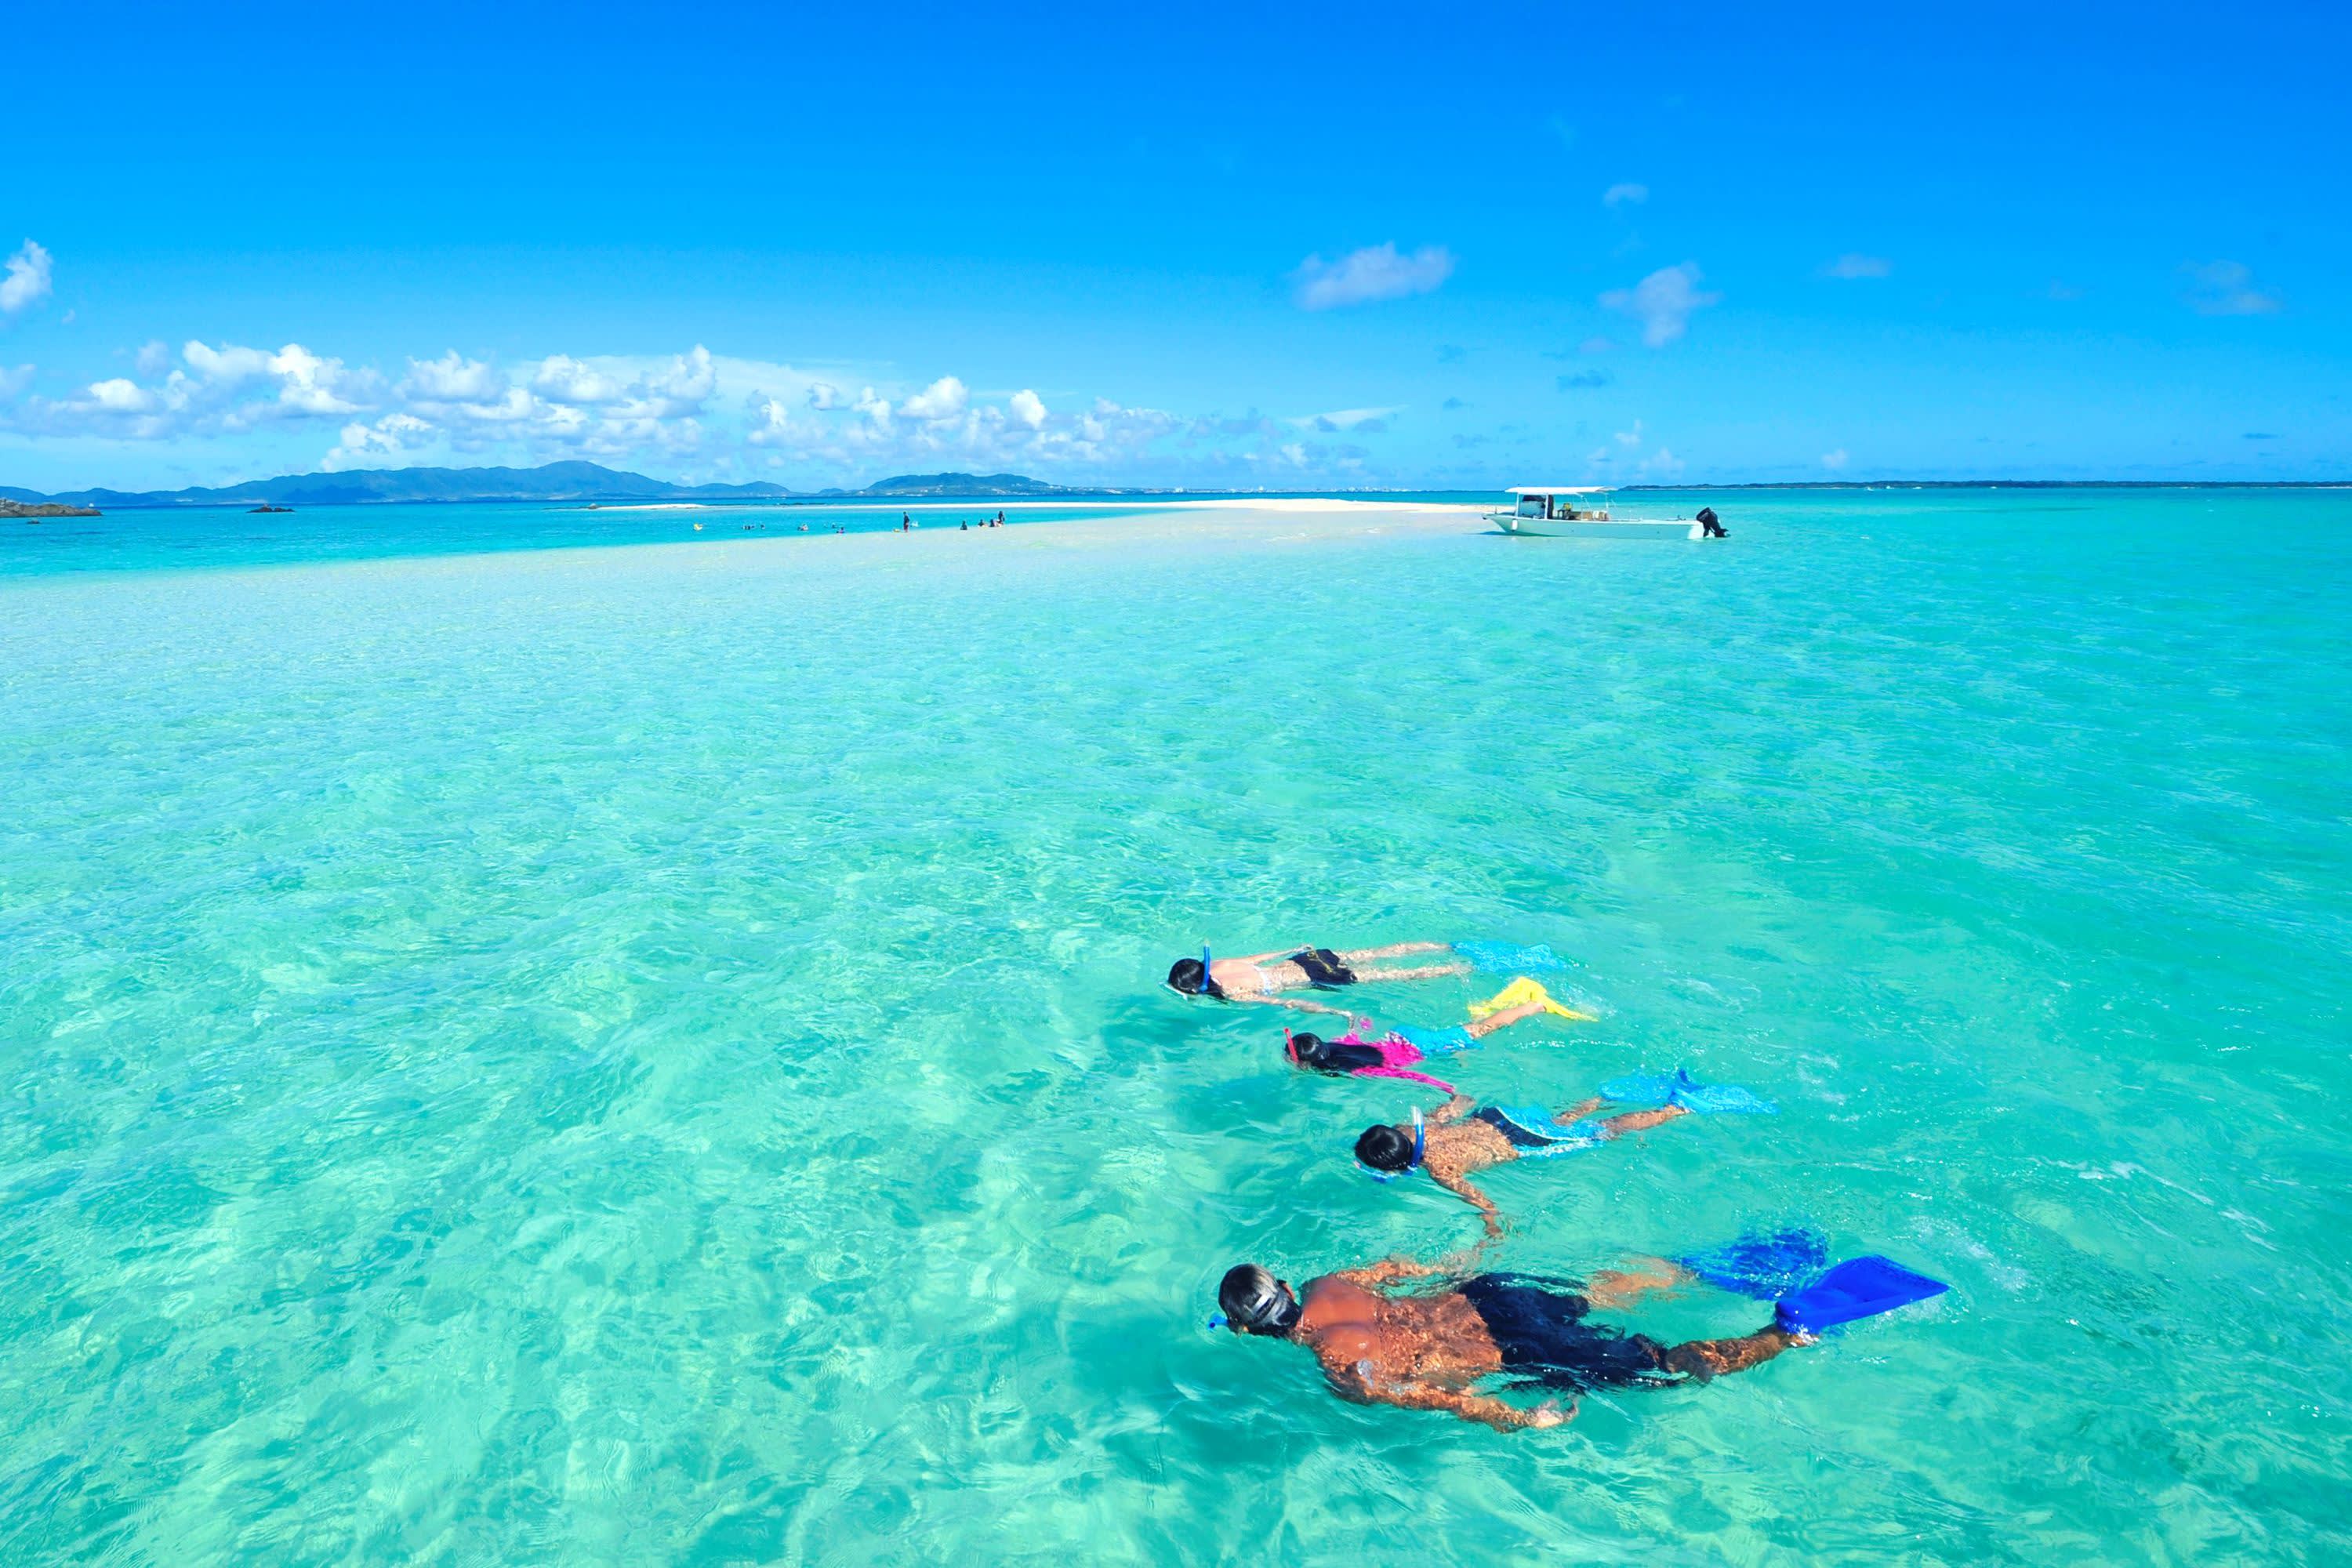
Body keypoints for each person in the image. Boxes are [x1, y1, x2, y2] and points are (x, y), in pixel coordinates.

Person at [1214, 1250, 1806, 1431]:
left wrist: (1515, 1418)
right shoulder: (1329, 1282)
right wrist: (1463, 1266)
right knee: (1598, 1291)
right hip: (1485, 1297)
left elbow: (1439, 1398)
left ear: (1246, 1329)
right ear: (1284, 1285)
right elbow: (1402, 1267)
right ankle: (1712, 1268)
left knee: (1663, 1365)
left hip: (1518, 1349)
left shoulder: (1340, 1368)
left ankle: (1785, 1335)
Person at [1354, 1072, 1773, 1234]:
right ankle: (1598, 1097)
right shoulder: (1415, 1127)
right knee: (1565, 1120)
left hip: (1525, 1141)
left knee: (1605, 1133)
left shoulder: (1439, 1169)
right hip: (1501, 1117)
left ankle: (1677, 1109)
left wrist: (1491, 1228)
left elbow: (1485, 1203)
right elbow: (1462, 1101)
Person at [1283, 980, 1592, 1093]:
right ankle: (1486, 1013)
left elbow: (1407, 1076)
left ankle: (1535, 1004)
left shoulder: (1354, 1069)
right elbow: (1357, 1029)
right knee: (1462, 1038)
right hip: (1400, 1035)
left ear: (1306, 1062)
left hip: (1420, 1046)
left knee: (1481, 1030)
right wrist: (1355, 1019)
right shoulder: (1336, 1045)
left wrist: (1446, 1088)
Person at [1166, 943, 1468, 1015]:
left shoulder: (1232, 992)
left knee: (1391, 976)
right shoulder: (1219, 964)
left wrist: (1333, 1011)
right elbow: (1259, 958)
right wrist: (1293, 950)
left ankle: (1452, 970)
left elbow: (1287, 1002)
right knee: (1376, 953)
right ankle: (1445, 947)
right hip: (1304, 959)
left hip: (1315, 976)